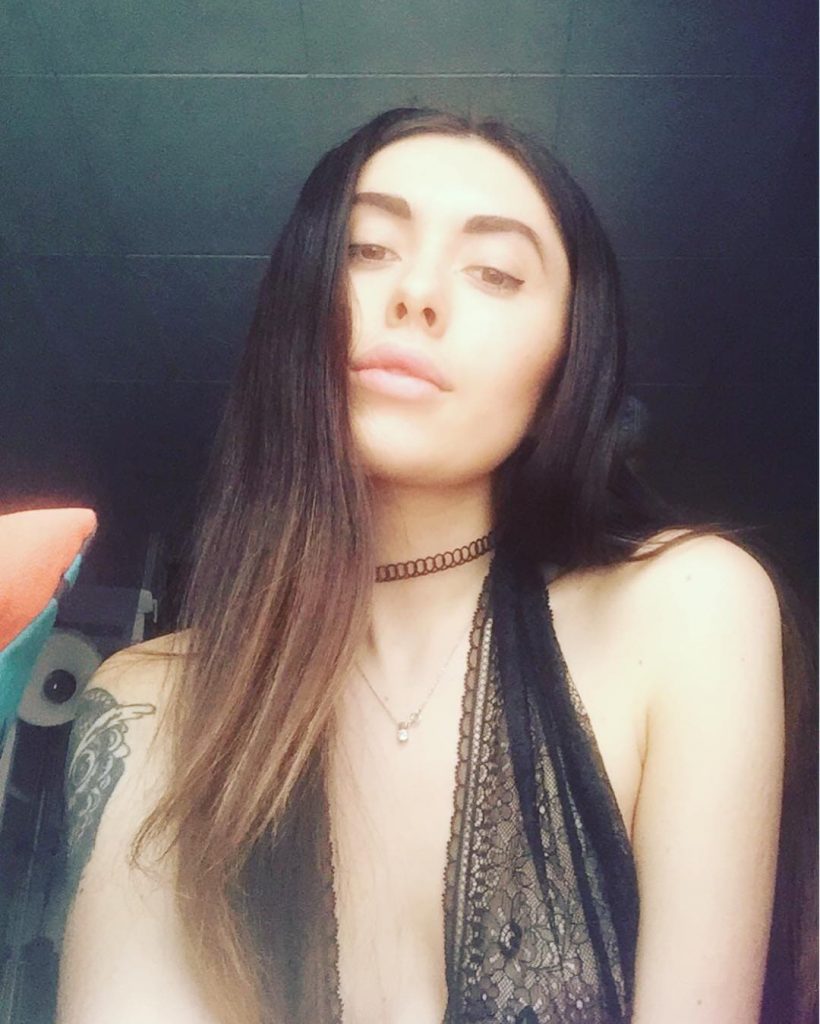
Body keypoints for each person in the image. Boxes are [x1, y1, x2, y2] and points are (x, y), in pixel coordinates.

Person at [53, 107, 816, 1024]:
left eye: (495, 272)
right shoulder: (146, 704)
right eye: (367, 249)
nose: (416, 293)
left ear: (562, 372)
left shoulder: (687, 611)